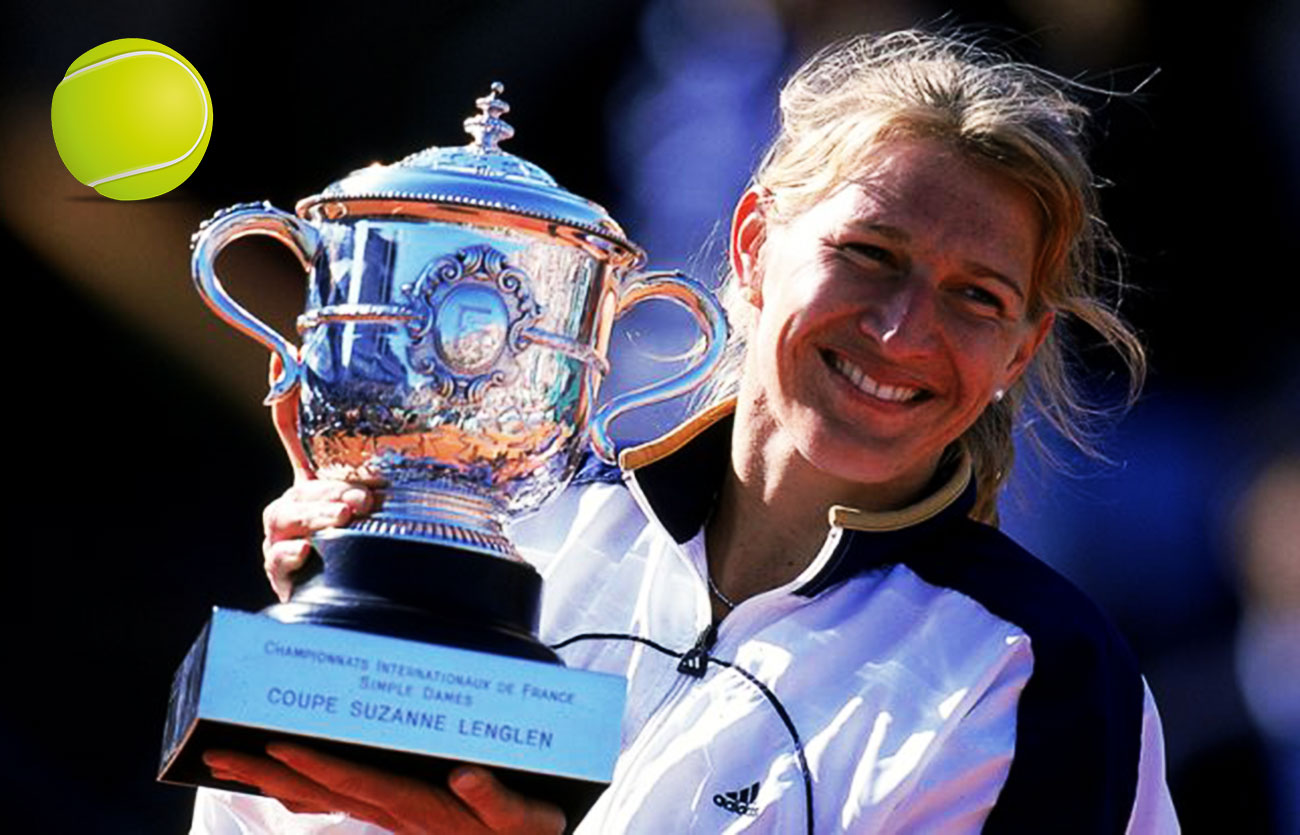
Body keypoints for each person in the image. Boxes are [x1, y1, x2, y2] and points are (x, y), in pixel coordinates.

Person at [194, 29, 1179, 834]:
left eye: (976, 297)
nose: (900, 331)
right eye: (869, 254)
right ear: (752, 246)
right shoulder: (523, 531)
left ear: (1019, 350)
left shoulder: (1036, 674)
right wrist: (352, 615)